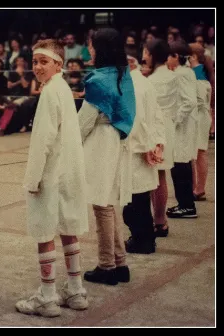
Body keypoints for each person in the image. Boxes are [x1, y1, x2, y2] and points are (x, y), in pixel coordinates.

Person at [15, 39, 89, 317]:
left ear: (58, 63)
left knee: (45, 231)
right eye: (34, 61)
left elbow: (43, 140)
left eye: (43, 61)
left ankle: (47, 296)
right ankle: (75, 290)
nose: (37, 67)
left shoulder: (49, 93)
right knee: (68, 227)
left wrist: (32, 178)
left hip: (51, 172)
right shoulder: (63, 90)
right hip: (69, 171)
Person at [77, 28, 136, 285]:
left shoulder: (98, 80)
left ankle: (106, 265)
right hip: (115, 140)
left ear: (100, 49)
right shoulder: (123, 75)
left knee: (101, 206)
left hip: (100, 143)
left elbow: (84, 122)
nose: (89, 50)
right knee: (109, 203)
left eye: (91, 46)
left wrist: (66, 144)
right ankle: (120, 263)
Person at [123, 45, 165, 254]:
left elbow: (139, 121)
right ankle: (143, 238)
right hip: (144, 146)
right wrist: (157, 143)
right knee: (139, 200)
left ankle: (143, 241)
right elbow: (157, 116)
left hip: (137, 150)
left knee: (135, 203)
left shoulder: (135, 85)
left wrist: (150, 146)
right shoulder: (141, 82)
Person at [143, 39, 178, 236]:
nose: (144, 56)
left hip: (155, 127)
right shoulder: (172, 76)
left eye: (146, 52)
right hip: (168, 126)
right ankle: (160, 219)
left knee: (154, 176)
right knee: (161, 175)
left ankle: (157, 219)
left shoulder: (150, 81)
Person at [166, 41, 198, 219]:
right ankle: (184, 203)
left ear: (176, 57)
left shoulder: (181, 74)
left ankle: (187, 205)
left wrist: (175, 120)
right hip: (184, 124)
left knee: (180, 164)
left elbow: (189, 101)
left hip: (182, 125)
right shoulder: (184, 72)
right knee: (180, 163)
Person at [188, 43, 212, 201]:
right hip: (203, 115)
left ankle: (199, 188)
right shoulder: (204, 72)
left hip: (199, 116)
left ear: (194, 57)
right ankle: (197, 186)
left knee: (199, 152)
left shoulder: (196, 74)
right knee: (198, 152)